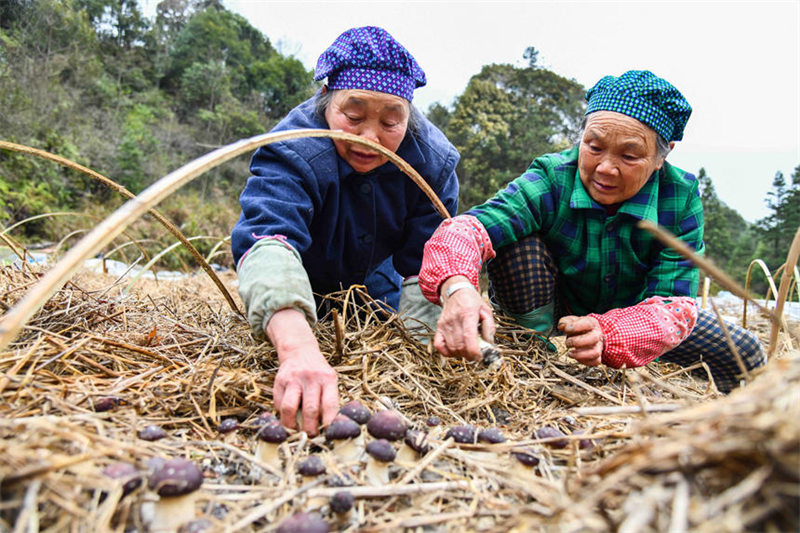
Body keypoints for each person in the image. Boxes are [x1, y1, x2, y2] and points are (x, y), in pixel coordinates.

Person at [418, 70, 766, 393]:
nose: (605, 168)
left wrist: (613, 333)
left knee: (744, 353)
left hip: (637, 312)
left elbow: (675, 305)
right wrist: (458, 287)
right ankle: (529, 355)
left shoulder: (678, 198)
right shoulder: (554, 176)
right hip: (551, 300)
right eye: (594, 147)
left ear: (662, 156)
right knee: (517, 244)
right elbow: (469, 227)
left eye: (630, 156)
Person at [231, 27, 459, 436]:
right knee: (290, 316)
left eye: (391, 121)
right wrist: (297, 347)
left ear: (408, 115)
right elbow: (267, 240)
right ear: (325, 99)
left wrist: (429, 357)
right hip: (298, 275)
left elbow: (426, 263)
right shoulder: (293, 146)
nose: (370, 139)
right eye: (352, 118)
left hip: (376, 285)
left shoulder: (432, 161)